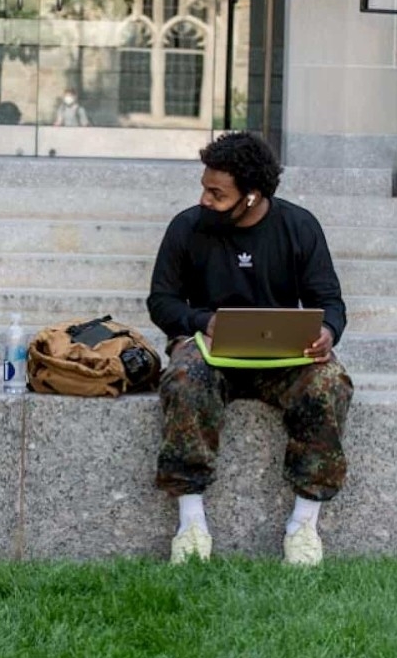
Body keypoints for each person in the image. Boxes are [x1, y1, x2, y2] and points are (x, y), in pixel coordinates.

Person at [147, 131, 352, 567]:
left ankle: (303, 524)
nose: (205, 199)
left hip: (283, 359)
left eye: (217, 193)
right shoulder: (187, 227)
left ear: (252, 195)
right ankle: (191, 523)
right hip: (210, 351)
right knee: (184, 377)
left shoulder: (298, 227)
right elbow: (161, 302)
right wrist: (204, 322)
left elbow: (330, 302)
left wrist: (328, 332)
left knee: (330, 381)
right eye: (204, 187)